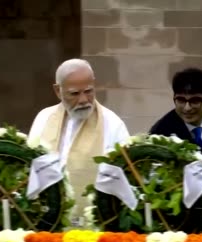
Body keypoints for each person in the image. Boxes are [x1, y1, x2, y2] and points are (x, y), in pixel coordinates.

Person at [28, 58, 130, 223]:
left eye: (88, 91)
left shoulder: (113, 124)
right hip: (45, 225)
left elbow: (124, 182)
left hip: (92, 229)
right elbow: (30, 167)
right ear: (57, 91)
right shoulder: (44, 118)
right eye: (74, 93)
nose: (83, 99)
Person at [149, 68, 202, 232]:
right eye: (181, 100)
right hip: (181, 223)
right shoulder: (161, 132)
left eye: (195, 100)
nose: (187, 107)